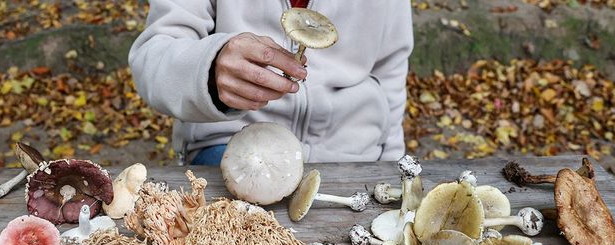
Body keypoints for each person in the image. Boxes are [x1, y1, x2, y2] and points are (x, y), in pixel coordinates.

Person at [129, 1, 413, 165]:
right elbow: (152, 58)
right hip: (231, 145)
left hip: (353, 155)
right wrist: (210, 68)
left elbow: (390, 69)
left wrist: (392, 164)